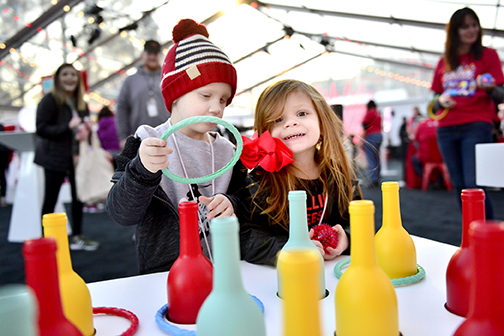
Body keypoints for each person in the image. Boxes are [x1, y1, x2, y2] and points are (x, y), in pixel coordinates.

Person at [106, 19, 243, 274]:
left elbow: (245, 201)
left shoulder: (228, 151)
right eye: (205, 95)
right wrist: (142, 170)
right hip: (164, 275)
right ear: (176, 93)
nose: (216, 107)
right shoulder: (144, 141)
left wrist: (231, 202)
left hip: (223, 270)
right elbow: (120, 213)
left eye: (224, 100)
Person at [236, 79, 362, 266]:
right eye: (278, 120)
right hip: (281, 280)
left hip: (332, 274)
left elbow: (360, 220)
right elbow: (248, 238)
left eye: (302, 114)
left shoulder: (339, 174)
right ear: (264, 132)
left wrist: (347, 238)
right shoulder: (258, 181)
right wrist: (288, 250)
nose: (291, 123)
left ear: (322, 119)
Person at [430, 7, 504, 218]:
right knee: (459, 187)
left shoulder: (488, 55)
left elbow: (501, 95)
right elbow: (433, 101)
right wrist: (440, 101)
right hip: (445, 129)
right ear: (455, 31)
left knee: (474, 186)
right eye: (465, 27)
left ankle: (487, 236)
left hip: (476, 125)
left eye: (474, 25)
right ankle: (472, 235)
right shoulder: (443, 62)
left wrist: (489, 88)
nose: (472, 30)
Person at [34, 63, 100, 250]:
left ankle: (77, 236)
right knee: (50, 199)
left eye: (73, 74)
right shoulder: (50, 101)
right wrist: (68, 126)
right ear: (58, 79)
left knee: (78, 198)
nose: (70, 78)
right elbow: (41, 128)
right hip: (53, 158)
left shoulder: (82, 104)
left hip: (76, 158)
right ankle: (45, 240)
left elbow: (82, 133)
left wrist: (86, 130)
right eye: (65, 74)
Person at [115, 39, 170, 149]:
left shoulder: (168, 78)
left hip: (168, 136)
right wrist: (123, 137)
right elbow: (121, 108)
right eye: (149, 53)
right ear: (142, 55)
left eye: (155, 54)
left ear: (160, 56)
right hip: (138, 139)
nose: (152, 57)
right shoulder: (130, 81)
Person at [361, 100, 383, 187]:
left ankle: (373, 179)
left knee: (371, 158)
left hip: (371, 136)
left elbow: (364, 124)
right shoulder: (378, 113)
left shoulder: (370, 112)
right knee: (377, 157)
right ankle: (377, 177)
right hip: (379, 136)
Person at [0, 123, 13, 207]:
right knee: (2, 175)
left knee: (2, 175)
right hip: (3, 152)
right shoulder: (1, 126)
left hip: (2, 153)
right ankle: (3, 198)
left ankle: (3, 198)